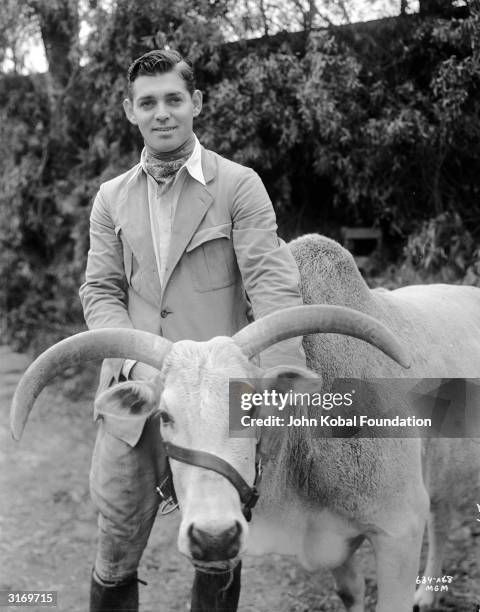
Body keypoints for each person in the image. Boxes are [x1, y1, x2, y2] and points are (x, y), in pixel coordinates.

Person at [79, 48, 306, 612]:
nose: (162, 113)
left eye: (173, 99)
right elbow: (100, 291)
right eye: (148, 102)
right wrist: (137, 367)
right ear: (130, 111)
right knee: (114, 551)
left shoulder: (239, 185)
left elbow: (272, 285)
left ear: (196, 103)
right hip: (137, 398)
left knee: (217, 543)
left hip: (215, 406)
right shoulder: (110, 198)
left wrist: (287, 380)